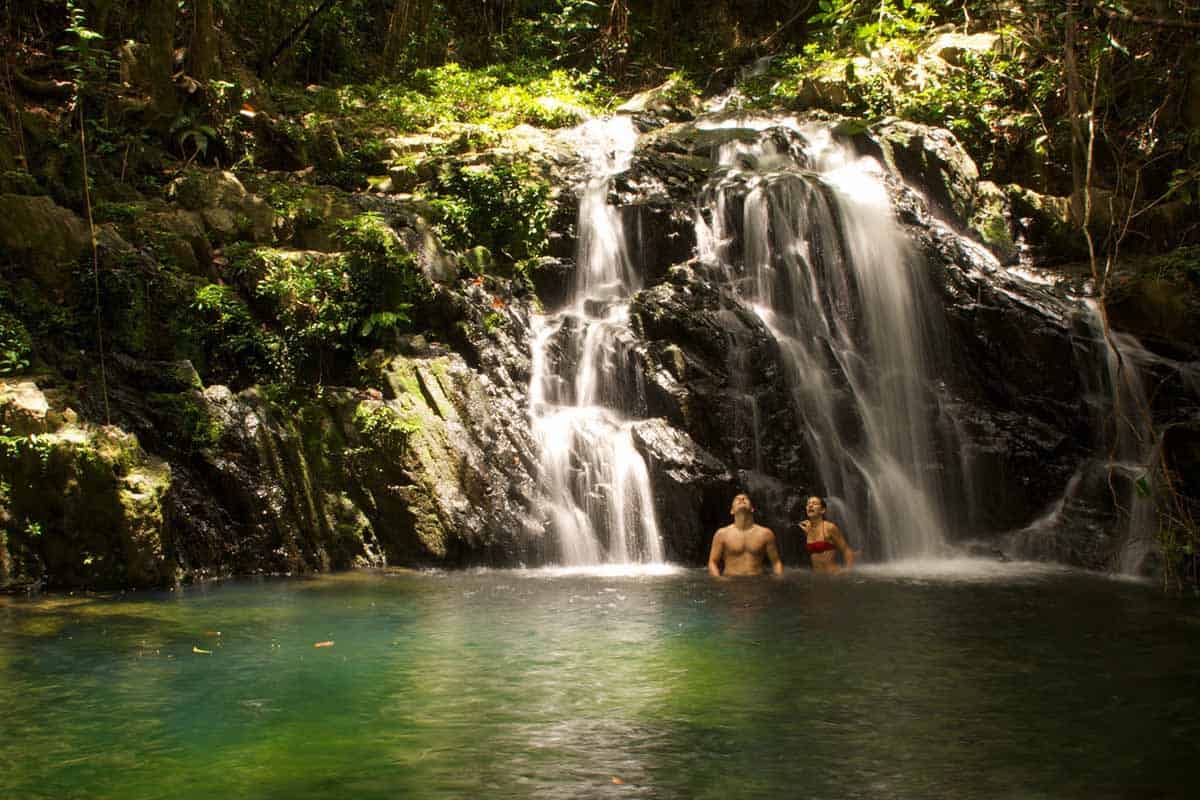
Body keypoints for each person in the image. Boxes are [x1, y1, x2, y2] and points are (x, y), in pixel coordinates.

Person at [708, 493, 784, 577]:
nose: (741, 499)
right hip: (731, 583)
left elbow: (776, 562)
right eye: (737, 499)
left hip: (757, 582)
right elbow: (712, 562)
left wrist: (779, 579)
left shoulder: (766, 534)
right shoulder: (721, 534)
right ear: (732, 511)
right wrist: (719, 579)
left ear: (752, 509)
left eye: (745, 498)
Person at [800, 495, 856, 574]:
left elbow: (847, 551)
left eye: (814, 503)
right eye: (808, 504)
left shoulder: (829, 527)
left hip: (833, 575)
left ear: (822, 510)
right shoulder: (807, 529)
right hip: (818, 577)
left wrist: (847, 571)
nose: (810, 505)